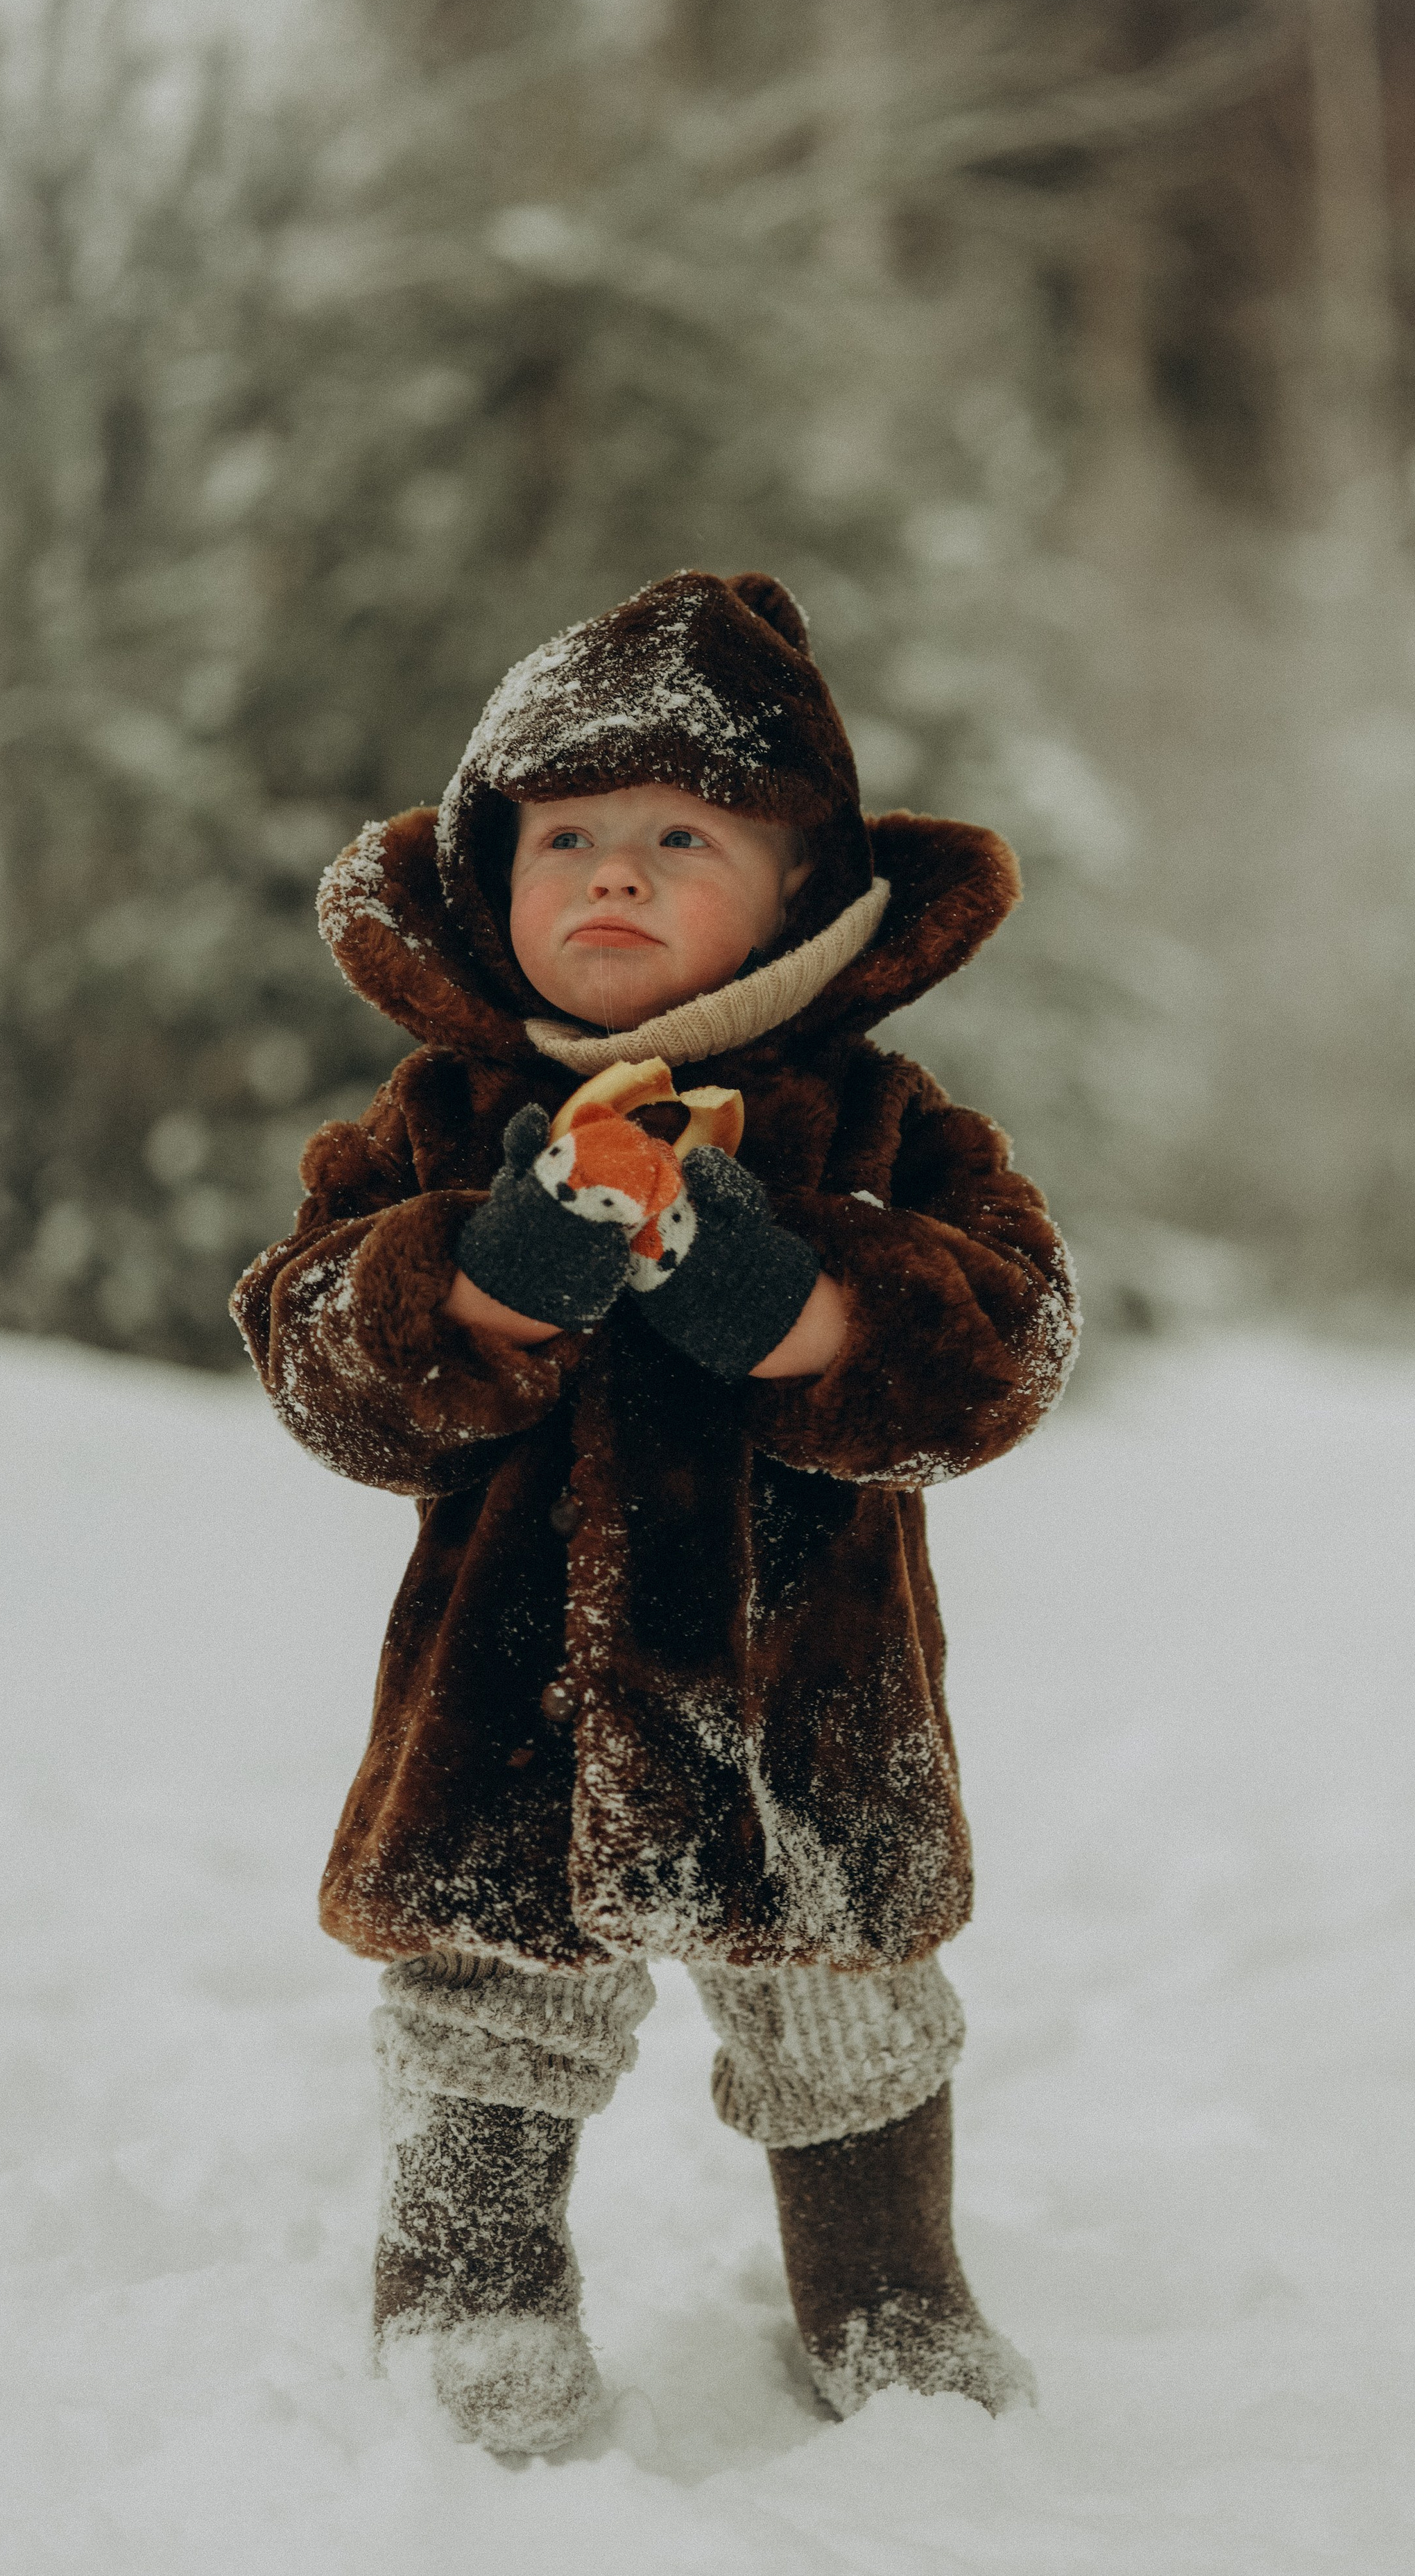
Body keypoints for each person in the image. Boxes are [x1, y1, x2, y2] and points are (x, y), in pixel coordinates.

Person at [233, 568, 1077, 2454]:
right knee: (489, 1989)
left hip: (809, 1684)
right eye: (567, 834)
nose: (612, 872)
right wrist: (468, 1285)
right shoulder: (441, 1127)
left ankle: (886, 2291)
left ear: (800, 884)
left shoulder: (880, 1119)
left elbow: (1008, 1346)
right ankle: (470, 2279)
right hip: (508, 1687)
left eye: (680, 832)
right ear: (488, 875)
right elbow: (308, 1356)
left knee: (844, 1999)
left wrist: (804, 1306)